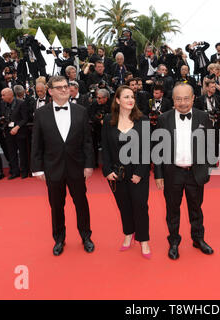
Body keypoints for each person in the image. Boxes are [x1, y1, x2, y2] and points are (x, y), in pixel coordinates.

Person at [31, 76, 95, 256]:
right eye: (59, 88)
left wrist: (89, 164)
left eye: (66, 87)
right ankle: (59, 239)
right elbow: (36, 142)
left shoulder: (81, 111)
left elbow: (87, 142)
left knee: (81, 203)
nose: (64, 90)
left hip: (77, 166)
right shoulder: (41, 113)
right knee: (56, 206)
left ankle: (86, 236)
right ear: (50, 91)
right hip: (53, 167)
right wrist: (37, 168)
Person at [154, 83, 214, 260]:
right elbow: (157, 149)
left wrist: (207, 170)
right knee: (172, 210)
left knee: (196, 209)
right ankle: (174, 242)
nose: (182, 103)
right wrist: (158, 174)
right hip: (172, 173)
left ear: (193, 98)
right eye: (178, 99)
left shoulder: (203, 117)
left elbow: (211, 143)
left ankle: (198, 239)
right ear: (172, 100)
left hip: (195, 172)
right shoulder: (164, 119)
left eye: (186, 98)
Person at [101, 85, 151, 258]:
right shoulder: (108, 120)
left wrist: (140, 172)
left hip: (138, 172)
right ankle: (129, 234)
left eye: (132, 97)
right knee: (124, 206)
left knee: (140, 206)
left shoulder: (142, 120)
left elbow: (147, 149)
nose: (131, 100)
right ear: (117, 100)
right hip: (117, 173)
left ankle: (143, 240)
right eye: (126, 97)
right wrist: (106, 170)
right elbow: (105, 148)